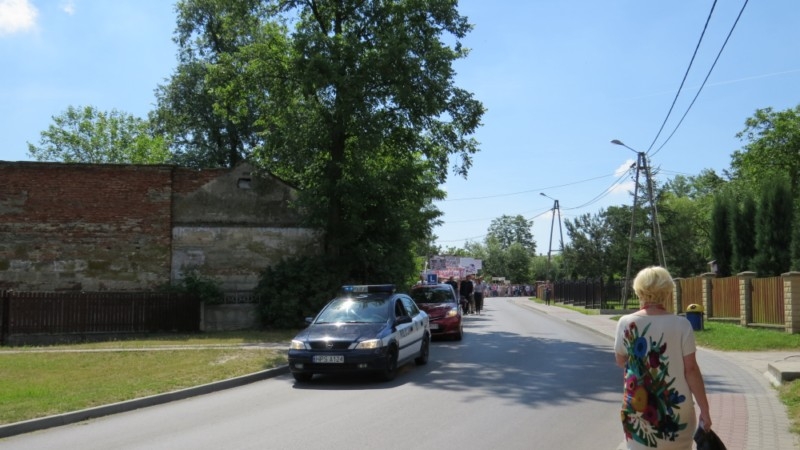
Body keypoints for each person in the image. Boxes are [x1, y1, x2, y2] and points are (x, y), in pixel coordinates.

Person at [614, 266, 712, 449]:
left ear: (639, 291)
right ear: (667, 292)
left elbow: (620, 361)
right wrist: (704, 410)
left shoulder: (626, 323)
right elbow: (691, 370)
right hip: (675, 414)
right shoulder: (682, 325)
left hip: (637, 412)